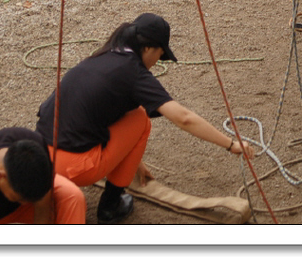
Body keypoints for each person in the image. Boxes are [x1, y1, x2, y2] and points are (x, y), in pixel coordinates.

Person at [36, 13, 254, 225]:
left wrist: (131, 160)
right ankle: (110, 207)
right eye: (160, 55)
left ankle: (62, 190)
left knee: (128, 114)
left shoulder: (102, 57)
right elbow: (184, 118)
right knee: (141, 119)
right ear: (148, 48)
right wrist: (231, 144)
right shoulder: (133, 72)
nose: (157, 62)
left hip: (39, 159)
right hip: (73, 167)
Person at [0, 127, 86, 224]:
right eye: (21, 198)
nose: (26, 203)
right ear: (1, 176)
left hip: (27, 198)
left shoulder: (33, 146)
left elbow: (42, 201)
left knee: (72, 197)